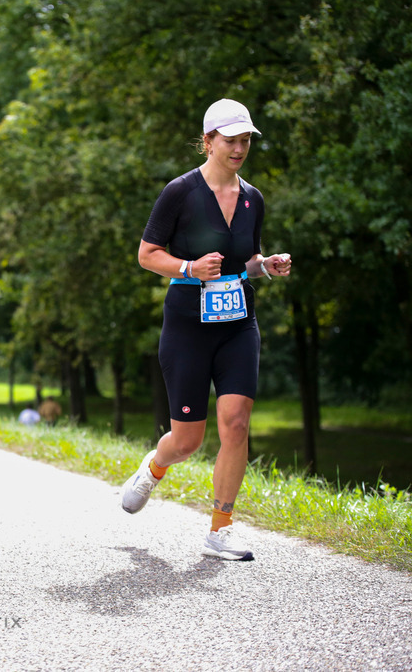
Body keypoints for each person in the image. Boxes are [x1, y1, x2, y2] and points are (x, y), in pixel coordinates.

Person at [120, 98, 292, 562]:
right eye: (230, 140)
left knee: (236, 424)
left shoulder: (253, 198)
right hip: (187, 325)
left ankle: (221, 527)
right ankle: (155, 467)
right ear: (209, 141)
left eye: (245, 141)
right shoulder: (180, 192)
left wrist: (267, 266)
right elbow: (147, 254)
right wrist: (189, 266)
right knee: (188, 440)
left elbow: (245, 262)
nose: (239, 149)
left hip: (238, 323)